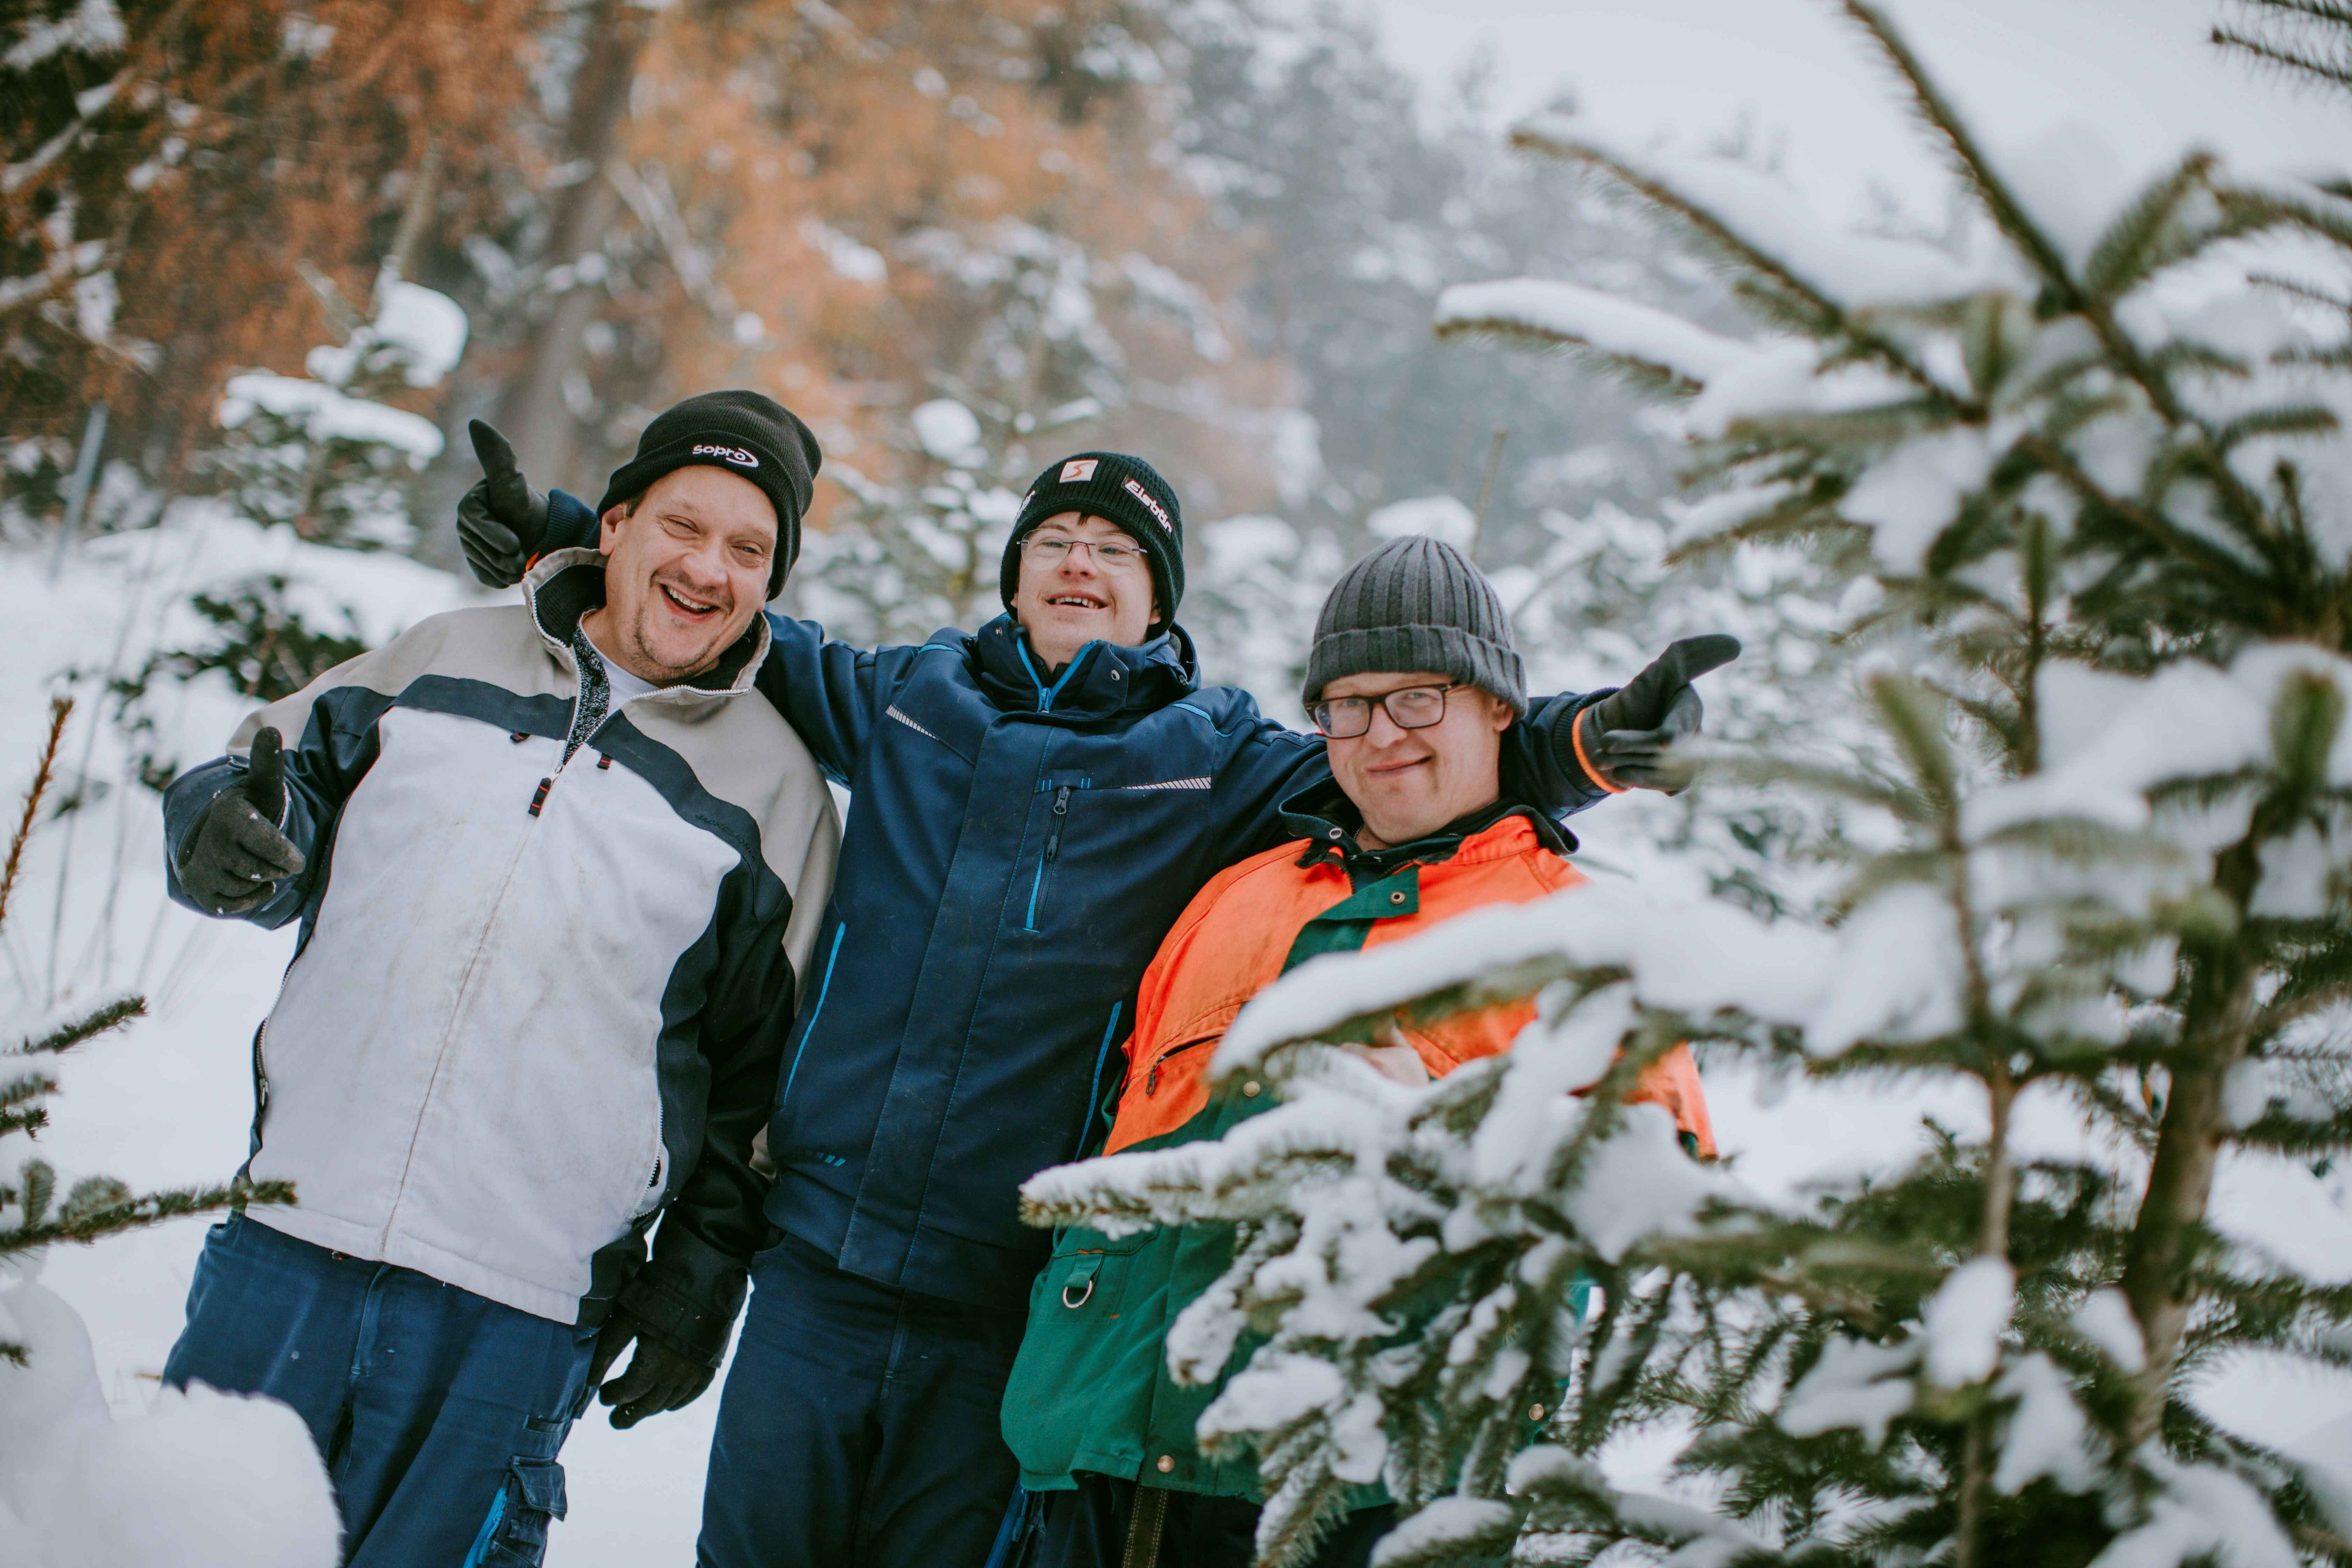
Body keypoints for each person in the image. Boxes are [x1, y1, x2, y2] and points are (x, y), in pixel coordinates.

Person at [455, 438, 1736, 1567]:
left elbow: (1413, 746)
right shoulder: (905, 699)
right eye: (1054, 540)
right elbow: (716, 612)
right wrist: (574, 534)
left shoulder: (1216, 760)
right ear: (1013, 575)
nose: (1079, 561)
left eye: (1116, 548)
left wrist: (1590, 744)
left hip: (1006, 1288)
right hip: (820, 1265)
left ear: (1158, 597)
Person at [159, 391, 840, 1566]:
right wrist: (220, 830)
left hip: (517, 1311)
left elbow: (760, 1088)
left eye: (750, 550)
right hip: (285, 1240)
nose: (709, 569)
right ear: (613, 526)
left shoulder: (777, 797)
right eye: (684, 525)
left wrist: (700, 1276)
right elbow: (261, 790)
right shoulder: (441, 656)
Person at [995, 537, 1719, 1568]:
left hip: (1359, 1501)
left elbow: (1663, 1226)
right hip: (1103, 1470)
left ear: (1501, 708)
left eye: (1418, 698)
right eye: (1347, 702)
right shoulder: (1236, 897)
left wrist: (1454, 1137)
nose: (1381, 734)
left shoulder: (1583, 944)